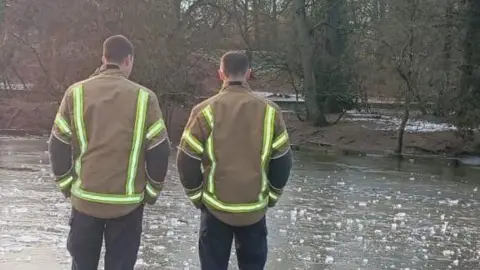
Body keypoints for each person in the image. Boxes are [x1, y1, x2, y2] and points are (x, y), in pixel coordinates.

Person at [48, 35, 170, 270]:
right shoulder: (145, 98)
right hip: (128, 204)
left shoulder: (76, 93)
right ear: (129, 60)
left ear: (103, 58)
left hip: (85, 200)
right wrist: (152, 192)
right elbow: (160, 150)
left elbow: (57, 144)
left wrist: (66, 186)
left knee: (82, 265)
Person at [176, 51, 293, 270]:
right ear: (249, 73)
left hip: (214, 208)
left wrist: (197, 197)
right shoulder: (271, 112)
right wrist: (271, 197)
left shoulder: (204, 111)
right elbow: (283, 162)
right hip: (254, 209)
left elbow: (186, 159)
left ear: (221, 74)